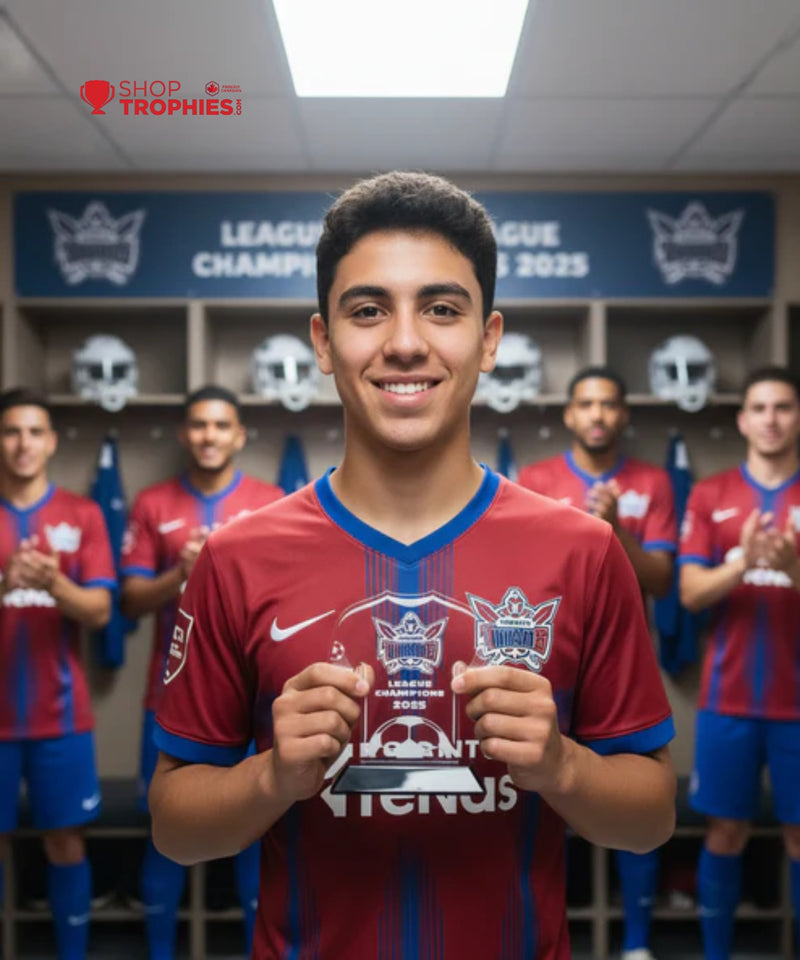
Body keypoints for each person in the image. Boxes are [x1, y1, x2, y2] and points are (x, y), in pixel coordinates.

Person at [148, 171, 676, 959]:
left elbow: (652, 818)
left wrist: (563, 767)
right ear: (324, 342)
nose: (403, 341)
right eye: (367, 310)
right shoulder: (236, 556)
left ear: (489, 339)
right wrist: (271, 779)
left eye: (441, 308)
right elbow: (174, 828)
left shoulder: (583, 550)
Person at [517, 367, 677, 960]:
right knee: (549, 797)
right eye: (586, 404)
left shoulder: (652, 482)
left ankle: (634, 944)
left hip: (623, 657)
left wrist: (616, 530)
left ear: (624, 414)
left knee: (631, 791)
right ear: (568, 414)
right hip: (548, 662)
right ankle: (553, 931)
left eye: (609, 404)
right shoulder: (535, 479)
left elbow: (662, 579)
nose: (598, 415)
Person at [120, 385, 283, 960]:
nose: (209, 435)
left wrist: (223, 569)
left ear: (239, 435)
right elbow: (132, 601)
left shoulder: (271, 503)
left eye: (221, 425)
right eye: (198, 425)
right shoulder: (154, 502)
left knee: (256, 830)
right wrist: (183, 573)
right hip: (168, 701)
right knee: (164, 833)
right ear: (185, 434)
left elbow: (291, 602)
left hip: (254, 700)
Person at [679, 367, 800, 960]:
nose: (771, 419)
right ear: (742, 419)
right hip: (727, 701)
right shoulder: (711, 495)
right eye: (760, 407)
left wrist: (792, 567)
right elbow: (690, 593)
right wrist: (743, 562)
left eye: (783, 407)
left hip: (797, 706)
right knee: (726, 832)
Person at [0, 388, 115, 960]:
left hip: (61, 717)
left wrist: (52, 584)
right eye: (11, 432)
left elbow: (99, 611)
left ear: (50, 441)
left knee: (66, 841)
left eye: (33, 432)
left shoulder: (81, 513)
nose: (22, 444)